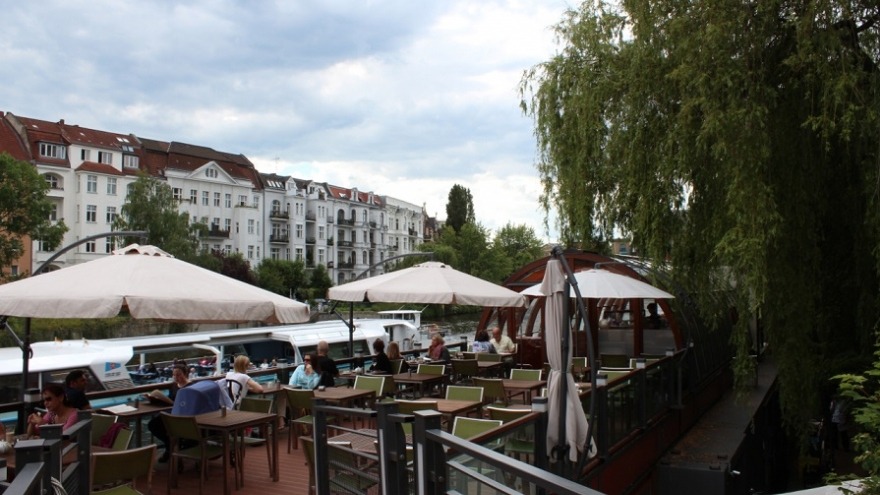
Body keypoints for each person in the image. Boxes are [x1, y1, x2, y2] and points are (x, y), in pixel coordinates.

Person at [147, 364, 190, 462]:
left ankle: (169, 446)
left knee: (156, 424)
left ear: (185, 374)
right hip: (171, 412)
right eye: (174, 375)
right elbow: (171, 399)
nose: (176, 377)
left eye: (179, 375)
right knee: (153, 424)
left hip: (181, 416)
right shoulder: (174, 386)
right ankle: (169, 444)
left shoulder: (190, 387)